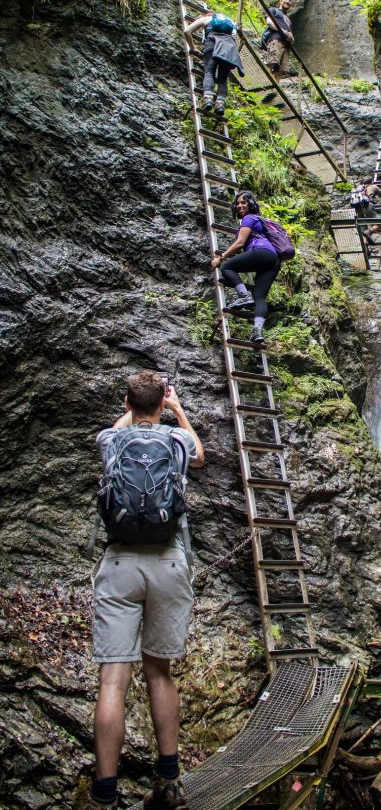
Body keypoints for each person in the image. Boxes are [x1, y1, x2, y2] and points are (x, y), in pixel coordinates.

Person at [91, 372, 205, 810]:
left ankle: (105, 795)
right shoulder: (174, 441)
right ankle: (169, 781)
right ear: (161, 404)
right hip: (169, 562)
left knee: (113, 681)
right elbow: (198, 455)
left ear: (126, 402)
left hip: (119, 563)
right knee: (160, 672)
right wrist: (176, 411)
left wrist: (130, 414)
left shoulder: (111, 441)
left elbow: (115, 432)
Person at [210, 190, 281, 346]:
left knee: (227, 267)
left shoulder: (248, 219)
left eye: (243, 202)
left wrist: (221, 258)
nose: (240, 205)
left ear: (251, 204)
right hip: (274, 260)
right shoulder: (259, 220)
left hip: (261, 252)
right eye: (238, 203)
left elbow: (240, 243)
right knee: (260, 297)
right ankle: (257, 332)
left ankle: (244, 295)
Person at [184, 10, 244, 117]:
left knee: (209, 72)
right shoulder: (230, 23)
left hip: (212, 45)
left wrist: (193, 48)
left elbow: (187, 31)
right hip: (228, 49)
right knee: (223, 79)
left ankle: (208, 99)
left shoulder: (206, 19)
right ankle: (220, 104)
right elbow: (234, 37)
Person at [262, 0, 295, 82]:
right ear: (281, 0)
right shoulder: (274, 10)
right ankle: (264, 83)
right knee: (271, 62)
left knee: (280, 70)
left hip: (286, 46)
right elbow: (269, 22)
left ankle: (275, 90)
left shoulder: (288, 20)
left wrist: (291, 38)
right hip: (275, 40)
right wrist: (283, 31)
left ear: (291, 4)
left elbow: (291, 36)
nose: (288, 1)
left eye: (290, 0)